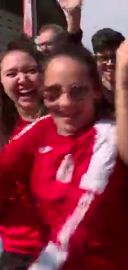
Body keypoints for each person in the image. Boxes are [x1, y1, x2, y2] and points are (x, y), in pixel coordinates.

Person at [0, 44, 128, 269]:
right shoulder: (44, 128)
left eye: (78, 91)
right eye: (52, 94)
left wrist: (123, 84)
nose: (65, 102)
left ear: (96, 90)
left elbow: (78, 220)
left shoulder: (108, 136)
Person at [0, 36, 47, 270]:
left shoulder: (67, 121)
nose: (22, 79)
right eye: (11, 74)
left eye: (30, 71)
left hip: (66, 249)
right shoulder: (3, 131)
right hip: (17, 253)